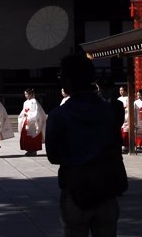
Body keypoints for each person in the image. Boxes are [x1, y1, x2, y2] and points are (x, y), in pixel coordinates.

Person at [46, 53, 127, 236]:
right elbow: (116, 142)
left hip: (76, 189)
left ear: (66, 81)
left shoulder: (59, 115)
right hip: (107, 187)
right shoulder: (110, 111)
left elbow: (53, 156)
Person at [18, 88, 47, 156]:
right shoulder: (25, 102)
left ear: (30, 94)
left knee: (32, 135)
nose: (25, 95)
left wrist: (28, 114)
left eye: (27, 94)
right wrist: (23, 114)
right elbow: (24, 110)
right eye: (25, 94)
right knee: (26, 135)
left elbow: (35, 112)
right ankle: (29, 149)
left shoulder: (34, 101)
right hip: (26, 119)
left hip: (33, 121)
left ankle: (33, 150)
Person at [118, 86, 131, 153]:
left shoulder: (128, 98)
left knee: (126, 132)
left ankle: (127, 146)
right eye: (120, 90)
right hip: (120, 115)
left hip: (126, 116)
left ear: (125, 91)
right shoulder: (119, 98)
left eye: (122, 90)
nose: (120, 92)